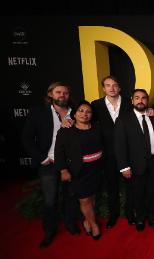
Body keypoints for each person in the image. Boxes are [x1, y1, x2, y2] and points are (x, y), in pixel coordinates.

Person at [22, 82, 80, 248]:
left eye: (66, 93)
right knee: (49, 199)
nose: (62, 95)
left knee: (71, 196)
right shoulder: (38, 113)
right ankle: (49, 231)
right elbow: (26, 138)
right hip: (49, 163)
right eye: (58, 92)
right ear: (50, 95)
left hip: (71, 163)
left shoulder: (76, 112)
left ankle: (70, 224)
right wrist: (42, 158)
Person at [54, 101, 104, 240]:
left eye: (88, 111)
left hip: (96, 170)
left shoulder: (97, 128)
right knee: (84, 199)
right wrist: (63, 170)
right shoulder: (66, 131)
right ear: (74, 114)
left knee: (92, 197)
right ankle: (94, 225)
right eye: (81, 111)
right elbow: (59, 153)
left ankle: (87, 220)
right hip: (79, 171)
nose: (84, 114)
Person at [114, 89, 154, 232]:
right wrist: (124, 167)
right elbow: (119, 145)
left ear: (147, 100)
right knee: (138, 192)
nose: (140, 101)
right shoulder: (123, 119)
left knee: (152, 191)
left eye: (144, 98)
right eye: (137, 98)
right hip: (135, 164)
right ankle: (140, 218)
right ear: (132, 100)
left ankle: (151, 216)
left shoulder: (152, 116)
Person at [91, 75, 131, 229]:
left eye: (115, 85)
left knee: (130, 186)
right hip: (107, 154)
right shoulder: (96, 105)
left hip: (127, 152)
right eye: (108, 85)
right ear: (103, 88)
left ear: (119, 87)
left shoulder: (129, 102)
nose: (112, 88)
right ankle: (113, 214)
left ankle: (129, 213)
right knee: (111, 185)